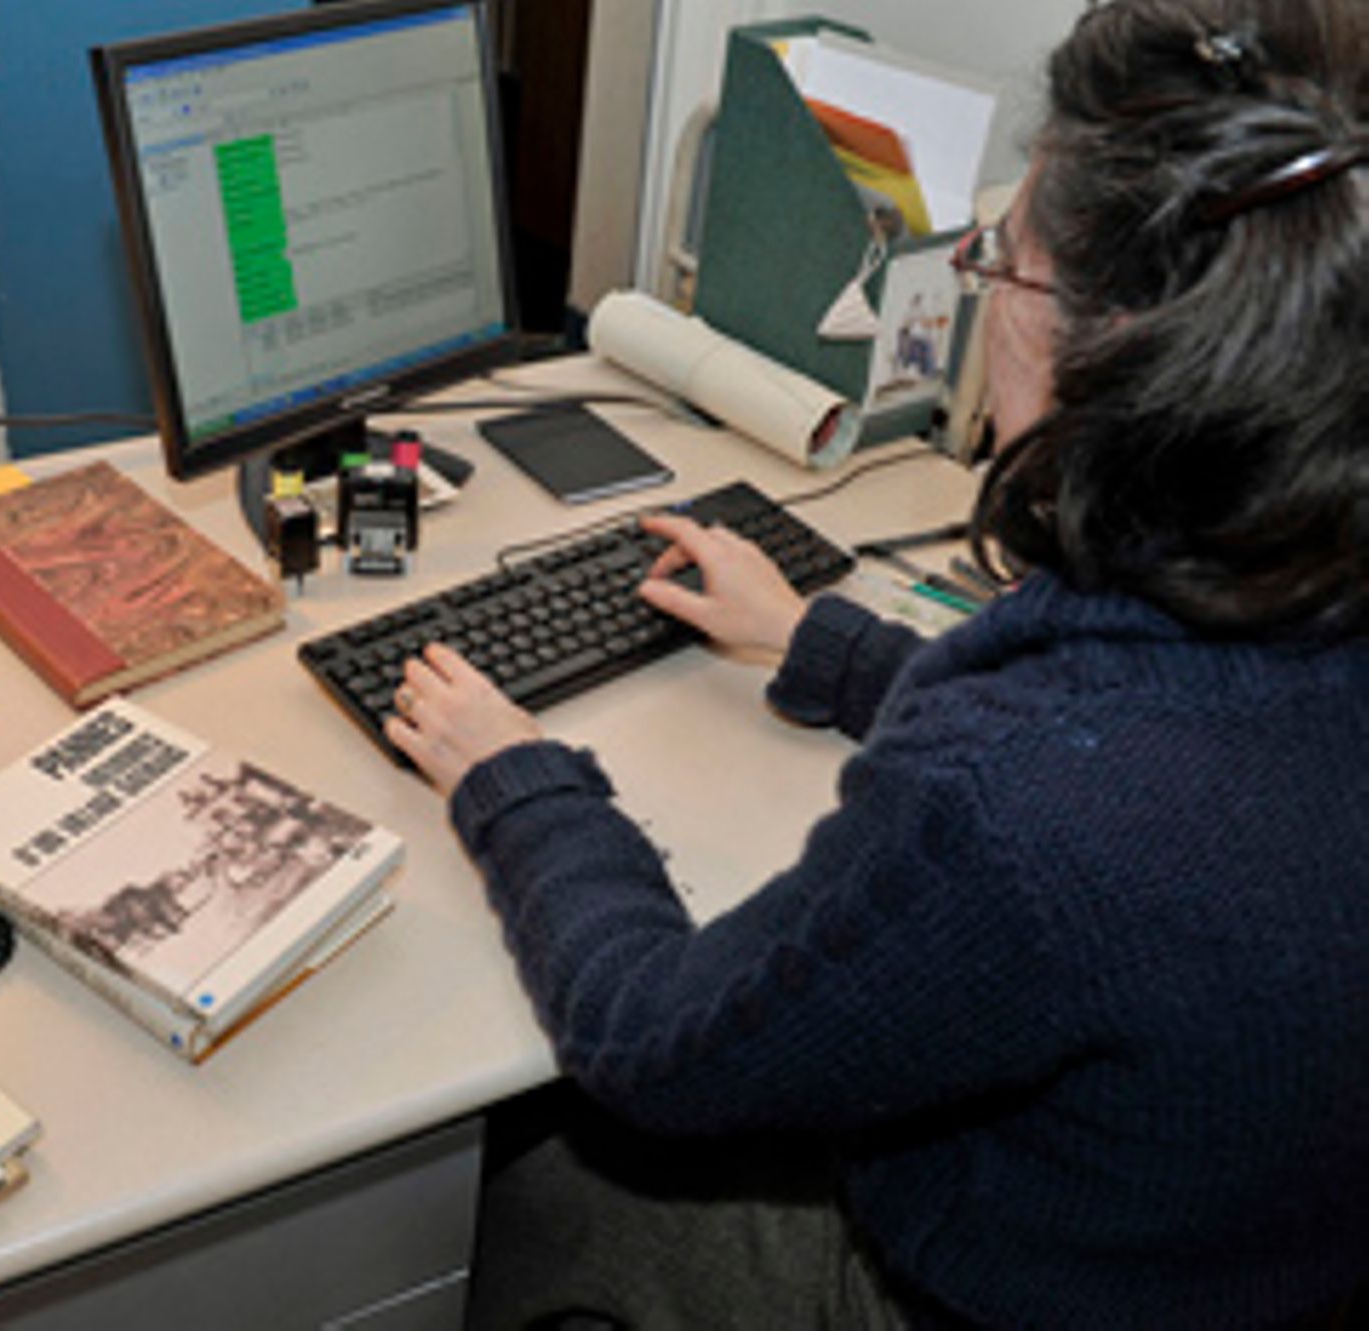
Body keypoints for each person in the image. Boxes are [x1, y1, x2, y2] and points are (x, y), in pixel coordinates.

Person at [383, 0, 1368, 1325]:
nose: (980, 295)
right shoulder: (1283, 617)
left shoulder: (1018, 798)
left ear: (1120, 345)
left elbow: (657, 1045)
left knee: (525, 1180)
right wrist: (821, 645)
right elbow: (1165, 786)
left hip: (984, 1291)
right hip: (1246, 1261)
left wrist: (518, 780)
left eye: (1000, 263)